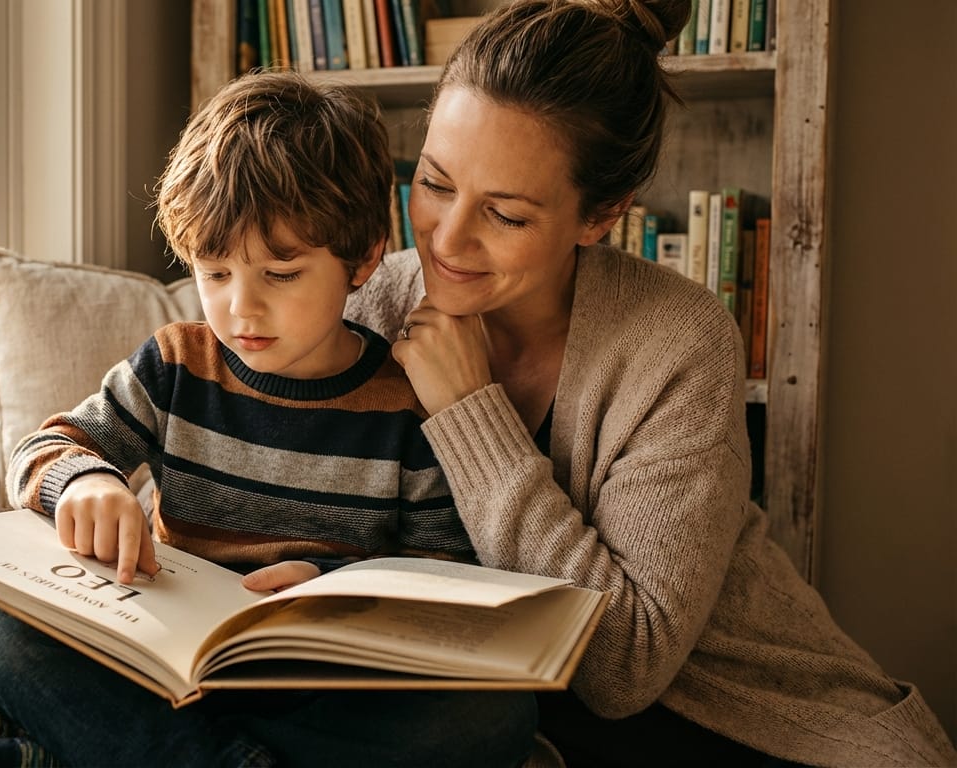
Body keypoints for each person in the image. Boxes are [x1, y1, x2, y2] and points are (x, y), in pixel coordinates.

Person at [342, 0, 957, 765]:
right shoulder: (370, 301)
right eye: (434, 183)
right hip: (494, 711)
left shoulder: (680, 340)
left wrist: (472, 414)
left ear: (600, 217)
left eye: (504, 214)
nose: (446, 236)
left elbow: (622, 667)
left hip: (736, 718)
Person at [0, 71, 537, 768]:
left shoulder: (404, 402)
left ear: (363, 259)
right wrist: (84, 484)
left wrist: (334, 590)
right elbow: (47, 447)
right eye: (215, 271)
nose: (241, 308)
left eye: (281, 275)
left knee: (494, 713)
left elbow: (443, 574)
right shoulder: (175, 366)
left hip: (317, 687)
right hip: (165, 665)